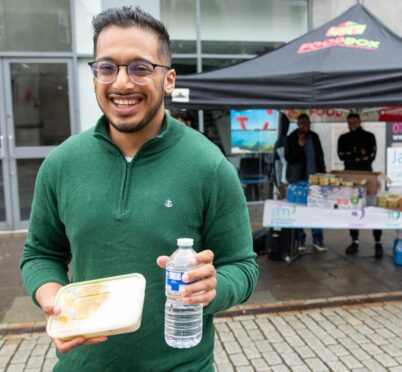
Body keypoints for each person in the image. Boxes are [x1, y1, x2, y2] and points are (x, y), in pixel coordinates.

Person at [19, 6, 258, 371]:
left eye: (140, 68)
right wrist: (54, 301)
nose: (121, 83)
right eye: (107, 67)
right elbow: (40, 254)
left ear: (169, 79)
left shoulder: (209, 166)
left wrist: (214, 287)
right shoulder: (62, 164)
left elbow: (241, 266)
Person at [337, 112, 383, 258]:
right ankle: (354, 240)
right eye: (350, 123)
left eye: (355, 122)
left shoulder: (369, 136)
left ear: (360, 121)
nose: (352, 125)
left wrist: (353, 155)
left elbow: (371, 155)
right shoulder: (343, 138)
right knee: (353, 208)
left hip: (367, 175)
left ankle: (377, 241)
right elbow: (341, 155)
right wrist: (358, 154)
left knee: (372, 207)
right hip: (349, 175)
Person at [284, 113, 327, 252]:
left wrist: (323, 175)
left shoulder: (314, 137)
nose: (304, 125)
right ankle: (300, 240)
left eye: (307, 123)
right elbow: (290, 159)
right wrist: (300, 146)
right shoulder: (291, 138)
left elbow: (320, 156)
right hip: (298, 180)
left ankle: (318, 240)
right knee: (299, 211)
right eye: (302, 123)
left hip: (315, 180)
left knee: (316, 210)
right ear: (297, 124)